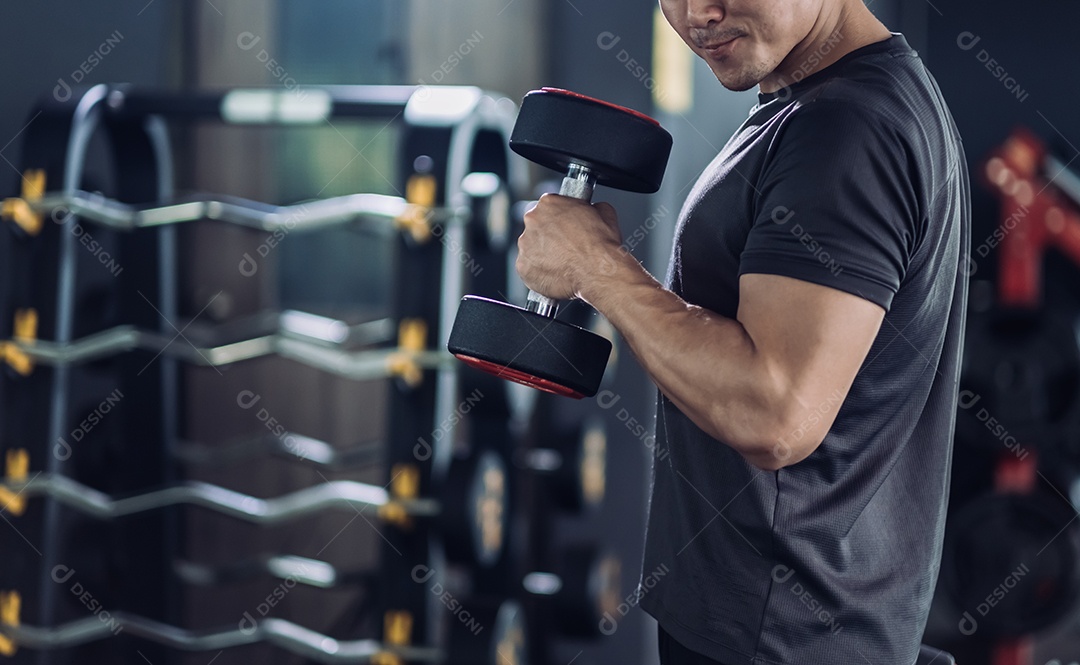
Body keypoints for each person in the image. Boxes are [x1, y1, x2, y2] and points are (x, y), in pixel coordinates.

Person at [515, 0, 970, 663]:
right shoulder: (825, 102)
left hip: (783, 637)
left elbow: (775, 410)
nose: (699, 11)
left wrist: (596, 268)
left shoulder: (847, 129)